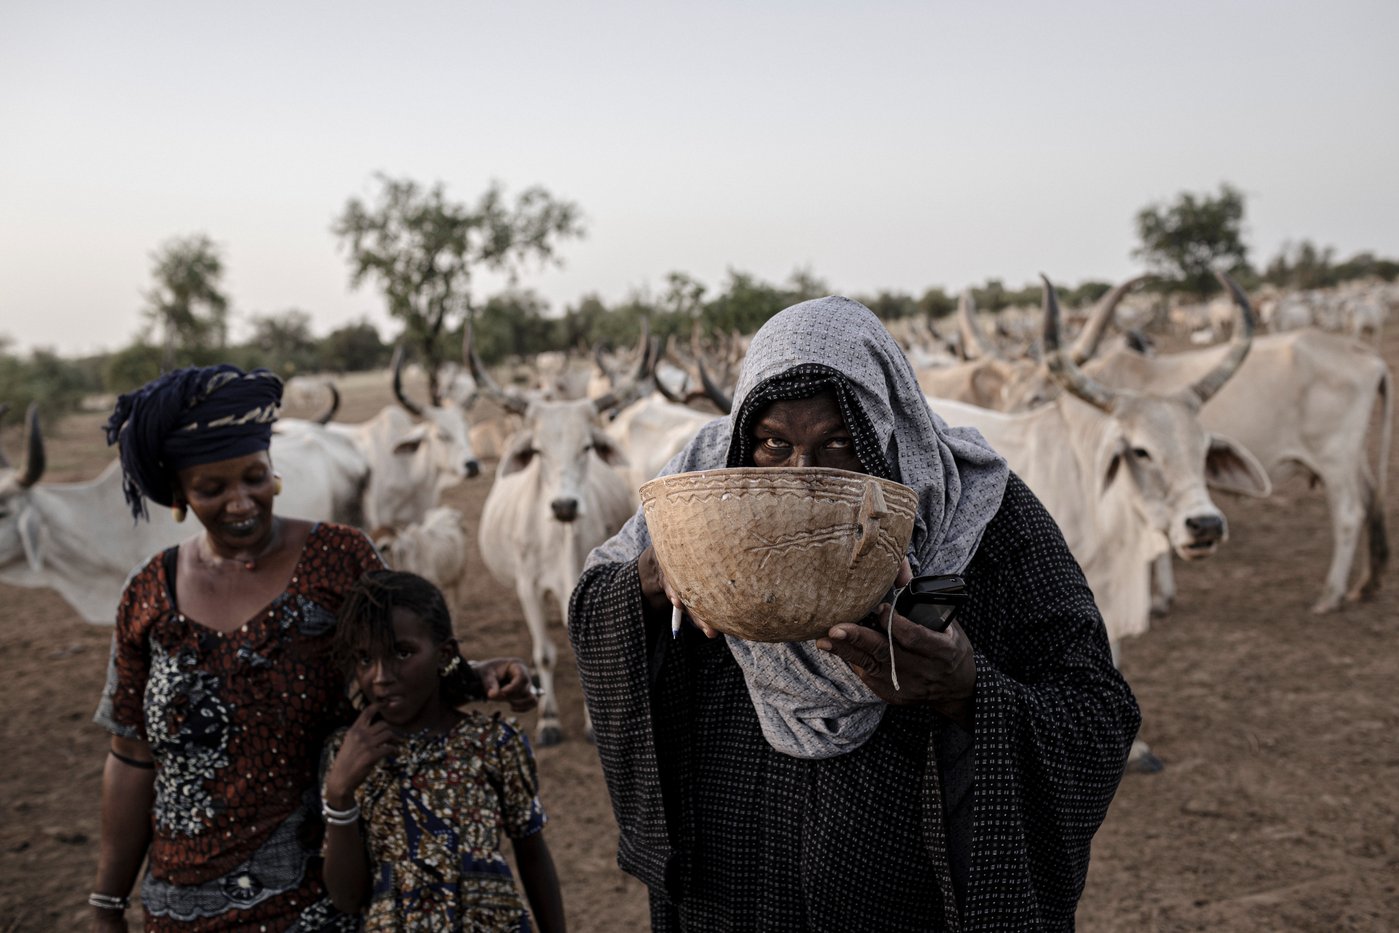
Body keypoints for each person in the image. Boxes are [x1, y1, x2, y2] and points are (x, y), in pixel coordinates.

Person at [568, 296, 1142, 931]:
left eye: (839, 442)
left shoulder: (979, 510)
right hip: (730, 880)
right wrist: (658, 572)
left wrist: (965, 688)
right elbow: (592, 605)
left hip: (910, 892)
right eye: (773, 444)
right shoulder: (699, 494)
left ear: (886, 432)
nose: (802, 477)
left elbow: (1097, 712)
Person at [89, 364, 536, 932]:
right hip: (179, 905)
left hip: (320, 897)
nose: (240, 502)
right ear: (179, 494)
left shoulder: (340, 559)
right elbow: (131, 756)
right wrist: (107, 902)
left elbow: (401, 662)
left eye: (254, 477)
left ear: (274, 472)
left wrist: (475, 675)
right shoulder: (148, 593)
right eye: (212, 489)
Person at [321, 570, 566, 932]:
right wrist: (339, 796)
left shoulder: (493, 742)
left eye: (402, 653)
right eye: (365, 659)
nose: (381, 676)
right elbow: (346, 897)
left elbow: (532, 856)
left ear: (445, 654)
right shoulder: (347, 757)